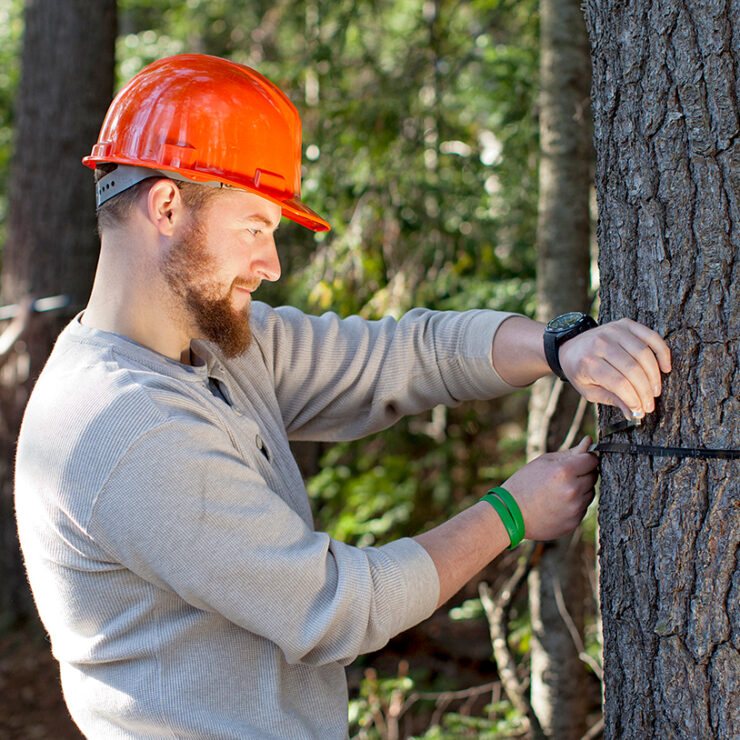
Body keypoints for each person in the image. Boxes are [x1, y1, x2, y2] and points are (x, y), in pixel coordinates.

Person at [15, 54, 671, 740]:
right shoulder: (127, 427)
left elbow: (397, 356)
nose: (270, 265)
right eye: (254, 228)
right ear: (168, 206)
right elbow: (338, 607)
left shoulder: (214, 347)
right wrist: (512, 511)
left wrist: (558, 346)